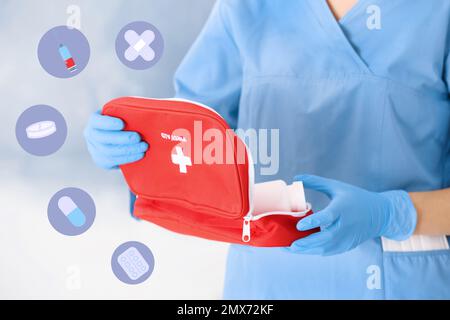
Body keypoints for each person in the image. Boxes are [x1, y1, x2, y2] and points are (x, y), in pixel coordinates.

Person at [84, 0, 450, 299]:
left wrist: (392, 214)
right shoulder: (248, 9)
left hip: (401, 280)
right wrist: (138, 144)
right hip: (262, 283)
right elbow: (195, 138)